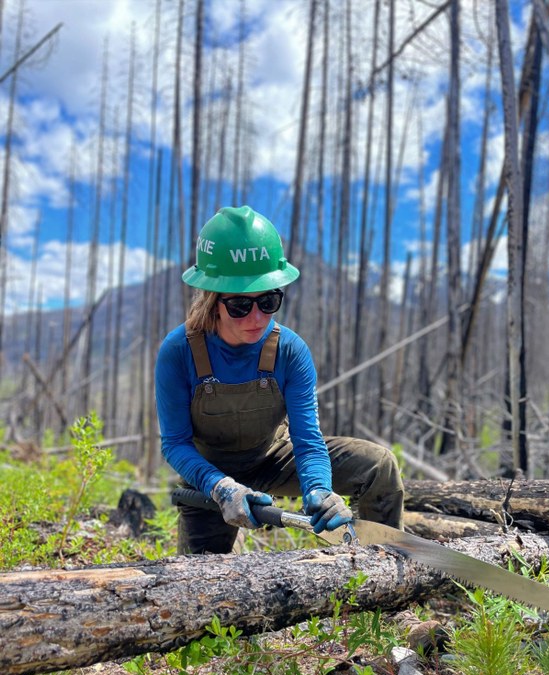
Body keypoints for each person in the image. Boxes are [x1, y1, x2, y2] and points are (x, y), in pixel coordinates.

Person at [155, 205, 404, 554]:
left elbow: (307, 437)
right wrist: (221, 487)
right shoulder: (179, 351)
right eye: (240, 305)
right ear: (213, 301)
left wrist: (318, 489)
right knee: (205, 585)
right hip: (209, 473)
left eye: (268, 301)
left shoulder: (289, 350)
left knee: (378, 465)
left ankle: (384, 566)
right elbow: (175, 444)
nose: (256, 317)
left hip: (274, 457)